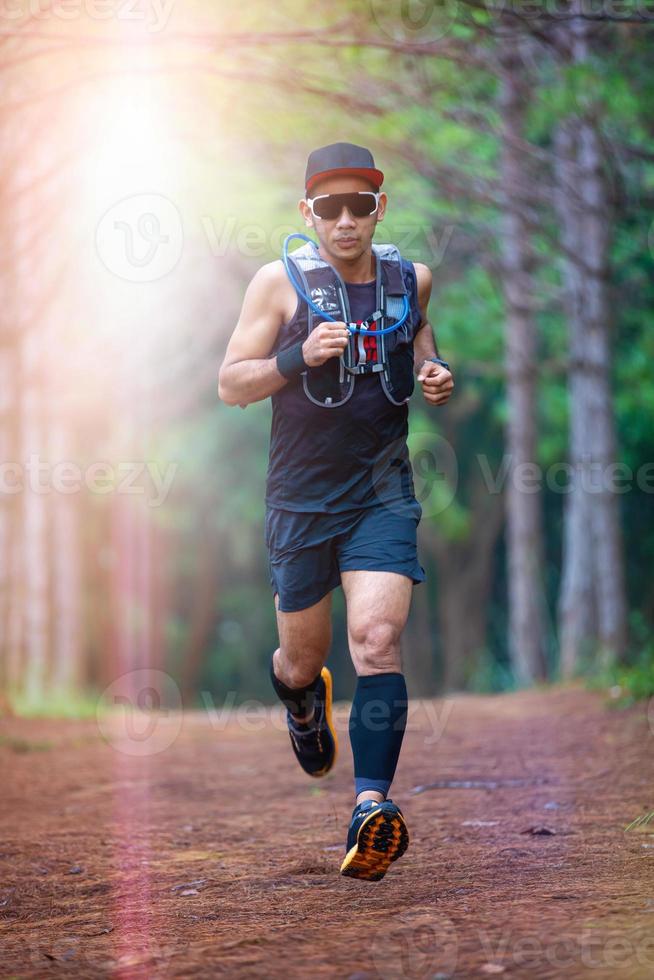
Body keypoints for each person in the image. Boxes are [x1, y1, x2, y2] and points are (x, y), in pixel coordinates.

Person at [218, 142, 454, 881]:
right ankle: (300, 698)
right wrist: (298, 359)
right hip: (299, 500)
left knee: (377, 640)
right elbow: (230, 384)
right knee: (305, 657)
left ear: (379, 209)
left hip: (382, 491)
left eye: (360, 205)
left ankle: (370, 807)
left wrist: (433, 372)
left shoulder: (410, 279)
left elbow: (419, 344)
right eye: (330, 207)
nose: (346, 219)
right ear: (308, 213)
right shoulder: (277, 284)